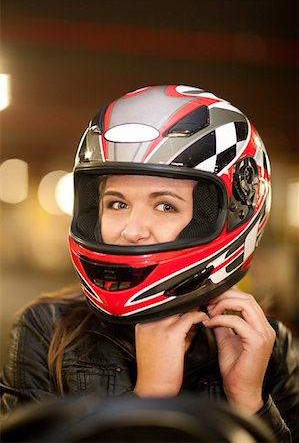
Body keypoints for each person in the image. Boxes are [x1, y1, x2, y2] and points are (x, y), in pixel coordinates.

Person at [1, 85, 298, 441]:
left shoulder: (267, 345)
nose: (131, 230)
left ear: (230, 217)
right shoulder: (45, 331)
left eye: (165, 205)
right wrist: (149, 400)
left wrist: (250, 404)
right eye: (117, 203)